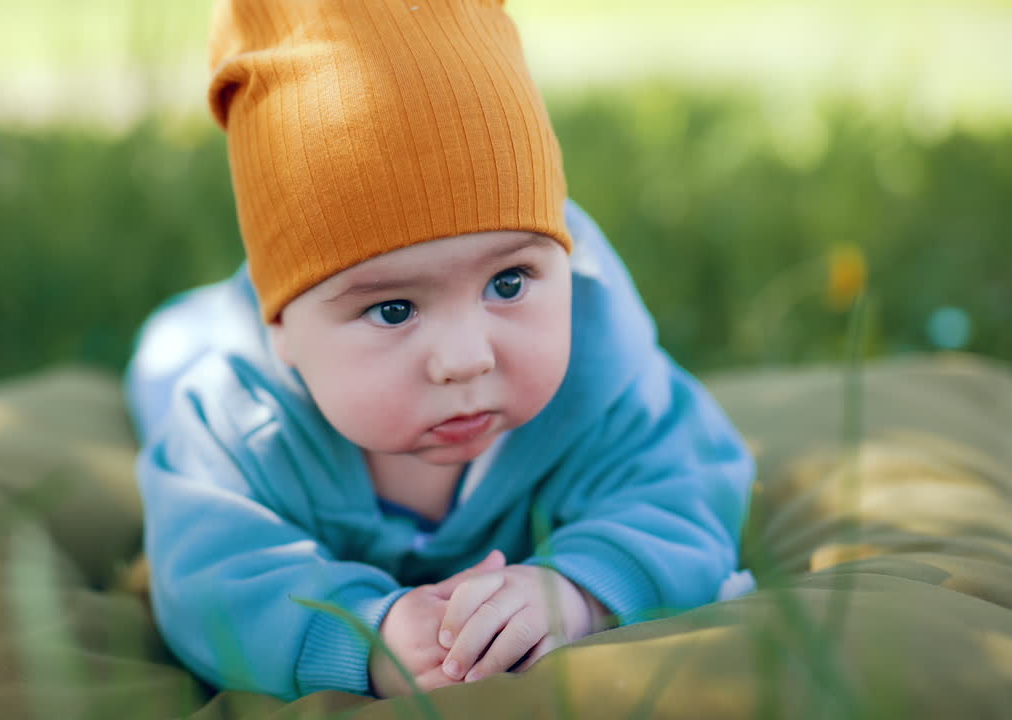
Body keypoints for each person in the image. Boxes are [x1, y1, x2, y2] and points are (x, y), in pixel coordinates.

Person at [125, 0, 754, 702]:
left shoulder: (602, 375)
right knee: (168, 362)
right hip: (212, 352)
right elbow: (210, 572)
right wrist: (364, 633)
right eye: (393, 309)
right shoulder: (239, 418)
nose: (465, 358)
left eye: (508, 282)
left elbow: (685, 492)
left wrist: (578, 590)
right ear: (282, 327)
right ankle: (186, 330)